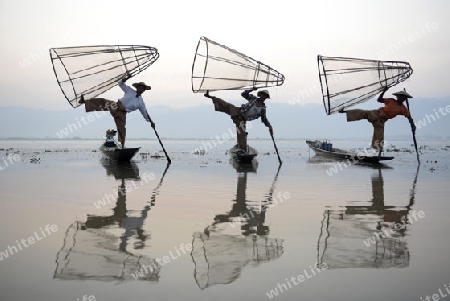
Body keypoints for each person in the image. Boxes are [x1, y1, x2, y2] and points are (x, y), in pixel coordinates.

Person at [79, 76, 155, 148]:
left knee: (122, 129)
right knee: (104, 102)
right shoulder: (129, 90)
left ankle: (121, 147)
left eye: (143, 89)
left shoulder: (141, 102)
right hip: (116, 106)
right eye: (141, 87)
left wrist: (151, 121)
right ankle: (85, 101)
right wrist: (124, 79)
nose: (142, 90)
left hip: (122, 113)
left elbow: (145, 113)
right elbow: (120, 84)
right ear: (137, 87)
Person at [339, 87, 416, 156]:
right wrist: (383, 91)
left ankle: (379, 154)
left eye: (403, 97)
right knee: (363, 113)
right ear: (397, 96)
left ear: (405, 99)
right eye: (400, 97)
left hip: (382, 120)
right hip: (377, 113)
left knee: (380, 135)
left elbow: (409, 118)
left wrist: (413, 126)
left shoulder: (403, 109)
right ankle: (344, 111)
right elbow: (379, 100)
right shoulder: (391, 100)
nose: (401, 98)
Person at [204, 88, 273, 153]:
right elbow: (243, 94)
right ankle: (210, 96)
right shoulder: (254, 99)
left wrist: (269, 126)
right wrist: (251, 89)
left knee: (241, 133)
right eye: (263, 95)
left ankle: (242, 149)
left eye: (265, 96)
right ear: (260, 95)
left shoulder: (263, 109)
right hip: (238, 110)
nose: (263, 97)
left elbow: (264, 119)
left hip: (242, 119)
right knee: (226, 105)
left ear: (266, 98)